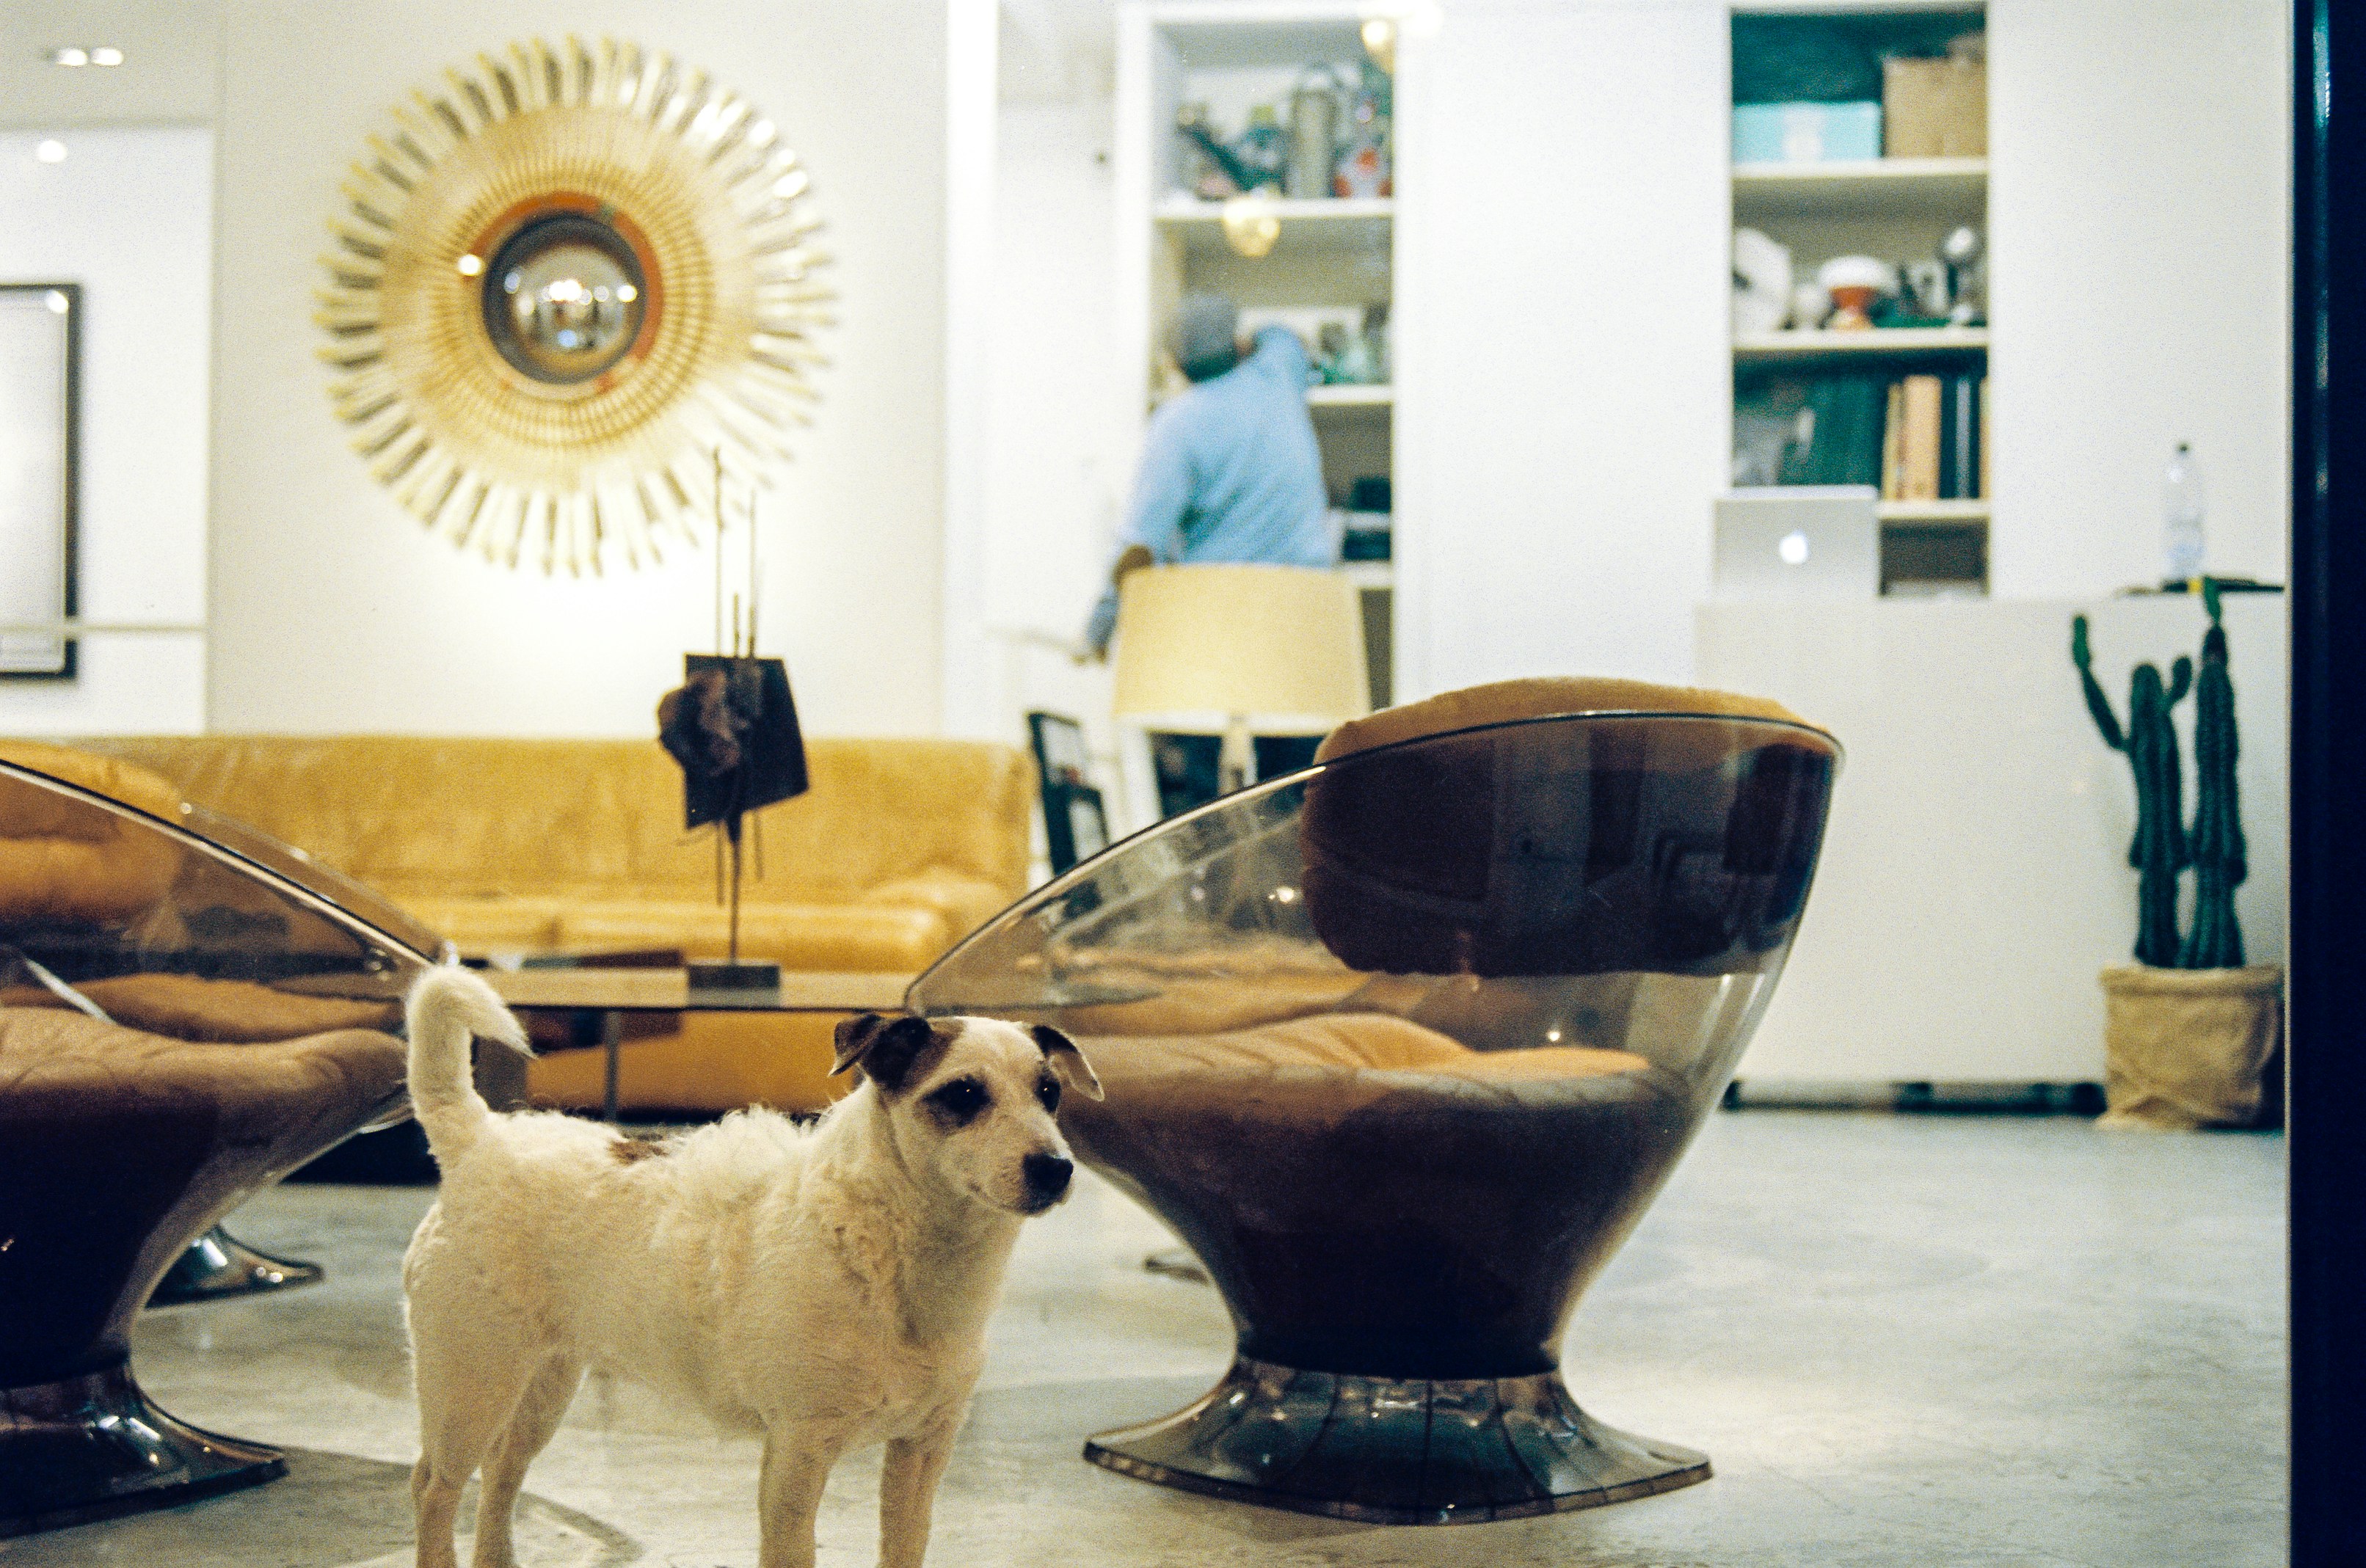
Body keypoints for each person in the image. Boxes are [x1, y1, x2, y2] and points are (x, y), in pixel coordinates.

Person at [1082, 292, 1335, 814]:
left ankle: (1199, 868)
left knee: (1186, 771)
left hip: (1216, 629)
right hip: (1304, 630)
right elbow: (1283, 333)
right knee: (1293, 792)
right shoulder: (1278, 376)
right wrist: (1247, 338)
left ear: (1175, 364)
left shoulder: (1177, 424)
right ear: (1239, 345)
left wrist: (1102, 625)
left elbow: (1139, 543)